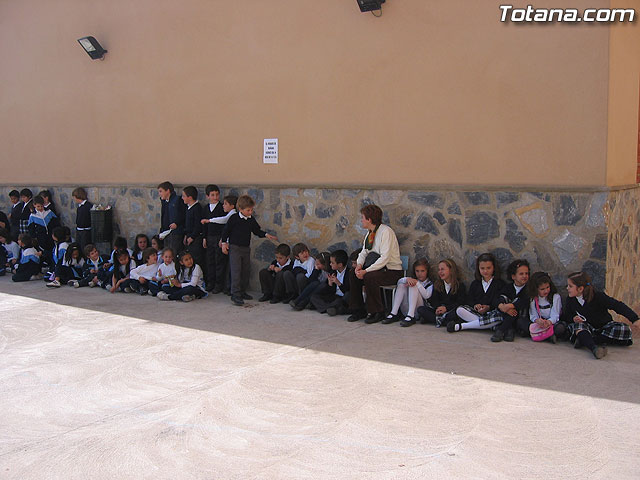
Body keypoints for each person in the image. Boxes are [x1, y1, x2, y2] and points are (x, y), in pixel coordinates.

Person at [347, 204, 403, 324]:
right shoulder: (370, 233)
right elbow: (364, 252)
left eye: (363, 218)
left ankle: (377, 312)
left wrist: (366, 271)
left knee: (370, 277)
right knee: (353, 274)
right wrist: (359, 266)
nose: (361, 220)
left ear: (369, 219)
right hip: (379, 270)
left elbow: (385, 257)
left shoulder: (385, 232)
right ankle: (358, 309)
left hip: (392, 271)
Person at [562, 271, 638, 359]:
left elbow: (617, 306)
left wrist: (635, 319)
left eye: (570, 286)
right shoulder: (570, 300)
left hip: (604, 327)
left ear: (580, 289)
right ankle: (594, 348)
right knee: (578, 327)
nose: (567, 288)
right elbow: (567, 315)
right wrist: (573, 318)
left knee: (624, 329)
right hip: (587, 328)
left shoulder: (598, 296)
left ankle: (586, 340)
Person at [220, 194, 278, 306]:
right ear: (240, 209)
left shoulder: (251, 219)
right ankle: (235, 294)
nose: (250, 212)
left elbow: (256, 230)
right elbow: (226, 231)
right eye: (248, 210)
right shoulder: (234, 218)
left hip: (246, 248)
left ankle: (242, 291)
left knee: (245, 270)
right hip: (235, 248)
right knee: (236, 271)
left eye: (251, 210)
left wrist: (266, 235)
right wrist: (224, 243)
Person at [449, 253, 505, 333]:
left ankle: (462, 326)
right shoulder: (475, 284)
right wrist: (475, 306)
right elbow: (470, 299)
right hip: (477, 314)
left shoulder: (500, 284)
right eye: (482, 268)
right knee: (460, 310)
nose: (485, 271)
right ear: (478, 269)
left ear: (494, 268)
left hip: (491, 313)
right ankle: (489, 326)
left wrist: (488, 307)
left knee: (499, 317)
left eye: (488, 268)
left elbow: (499, 300)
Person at [382, 258, 433, 327]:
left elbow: (427, 296)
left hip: (418, 312)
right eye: (417, 271)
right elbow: (399, 282)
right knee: (402, 285)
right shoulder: (412, 279)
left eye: (422, 271)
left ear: (427, 271)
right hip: (406, 310)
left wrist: (417, 283)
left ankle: (411, 316)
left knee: (413, 285)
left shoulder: (430, 284)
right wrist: (407, 279)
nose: (419, 274)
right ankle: (394, 313)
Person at [416, 258, 466, 327]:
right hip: (439, 311)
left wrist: (446, 308)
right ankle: (443, 321)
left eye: (442, 269)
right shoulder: (438, 285)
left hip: (450, 311)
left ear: (451, 270)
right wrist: (438, 308)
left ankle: (437, 320)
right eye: (439, 270)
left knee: (458, 313)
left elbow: (460, 302)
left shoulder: (459, 285)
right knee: (421, 309)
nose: (440, 272)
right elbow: (434, 301)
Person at [201, 186, 233, 293]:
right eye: (212, 195)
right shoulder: (206, 208)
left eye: (217, 194)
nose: (215, 197)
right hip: (209, 238)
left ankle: (219, 284)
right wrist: (204, 238)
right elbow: (204, 225)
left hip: (218, 237)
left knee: (219, 261)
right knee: (210, 261)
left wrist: (222, 239)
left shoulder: (221, 208)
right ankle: (211, 282)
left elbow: (225, 224)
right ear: (207, 196)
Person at [490, 259, 530, 343]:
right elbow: (495, 299)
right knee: (503, 298)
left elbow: (524, 302)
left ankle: (501, 330)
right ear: (513, 276)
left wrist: (510, 306)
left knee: (514, 308)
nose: (525, 276)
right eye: (521, 274)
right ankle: (509, 329)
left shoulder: (529, 289)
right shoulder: (508, 287)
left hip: (521, 316)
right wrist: (501, 306)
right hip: (507, 314)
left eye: (526, 273)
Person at [310, 249, 351, 316]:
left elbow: (347, 290)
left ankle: (327, 308)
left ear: (340, 264)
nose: (330, 264)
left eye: (332, 263)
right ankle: (331, 308)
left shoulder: (349, 273)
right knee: (314, 297)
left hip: (342, 298)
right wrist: (330, 284)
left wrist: (338, 283)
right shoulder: (333, 272)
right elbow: (329, 291)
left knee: (341, 300)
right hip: (334, 297)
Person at [525, 271, 562, 343]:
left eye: (547, 287)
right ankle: (548, 336)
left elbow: (555, 315)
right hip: (539, 323)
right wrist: (537, 320)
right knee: (521, 322)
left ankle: (541, 335)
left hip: (551, 323)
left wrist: (549, 322)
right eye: (542, 289)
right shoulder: (533, 298)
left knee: (560, 328)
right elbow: (533, 314)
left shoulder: (555, 297)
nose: (546, 291)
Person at [27, 195, 59, 270]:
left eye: (41, 206)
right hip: (41, 237)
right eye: (38, 206)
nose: (40, 208)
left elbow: (56, 222)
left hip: (50, 236)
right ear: (34, 205)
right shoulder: (33, 216)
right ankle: (46, 264)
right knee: (44, 251)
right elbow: (31, 228)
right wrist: (34, 237)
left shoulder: (49, 212)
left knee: (52, 250)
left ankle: (53, 265)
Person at [157, 181, 186, 254]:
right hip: (166, 233)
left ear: (168, 191)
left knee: (174, 253)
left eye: (161, 191)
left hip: (176, 232)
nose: (159, 194)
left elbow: (184, 214)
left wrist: (177, 223)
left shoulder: (177, 200)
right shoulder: (165, 202)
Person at [181, 186, 204, 267]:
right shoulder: (188, 208)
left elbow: (198, 225)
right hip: (189, 237)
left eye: (184, 196)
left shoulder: (197, 208)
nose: (182, 198)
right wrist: (186, 235)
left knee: (196, 259)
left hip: (195, 239)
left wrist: (192, 237)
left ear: (190, 197)